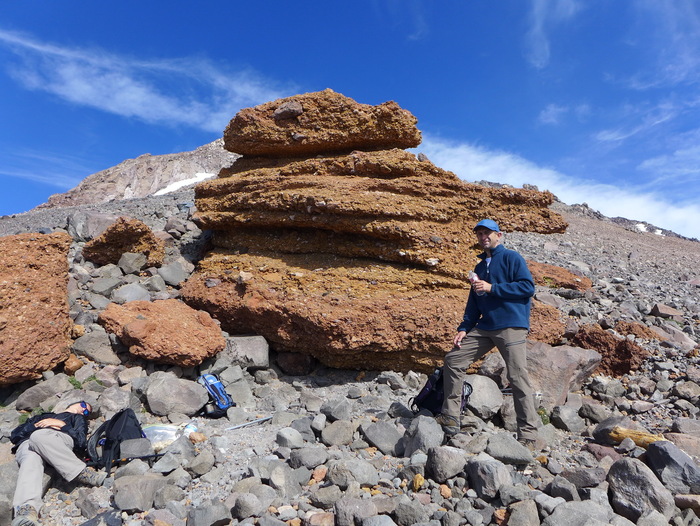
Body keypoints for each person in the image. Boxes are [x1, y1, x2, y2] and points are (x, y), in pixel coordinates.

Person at [435, 219, 541, 450]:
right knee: (453, 360)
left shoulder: (512, 258)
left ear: (499, 235)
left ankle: (528, 435)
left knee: (517, 376)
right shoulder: (480, 267)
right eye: (480, 233)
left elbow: (527, 287)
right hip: (485, 326)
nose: (483, 237)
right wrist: (464, 328)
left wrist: (493, 288)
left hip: (511, 325)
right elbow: (474, 302)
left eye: (488, 233)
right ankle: (451, 417)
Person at [10, 401, 106, 526]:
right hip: (28, 442)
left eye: (86, 412)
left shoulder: (77, 419)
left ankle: (81, 472)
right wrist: (37, 425)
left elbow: (81, 442)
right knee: (30, 459)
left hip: (58, 439)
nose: (83, 411)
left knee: (38, 436)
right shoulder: (43, 416)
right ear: (72, 404)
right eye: (83, 406)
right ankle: (26, 511)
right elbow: (15, 435)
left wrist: (62, 425)